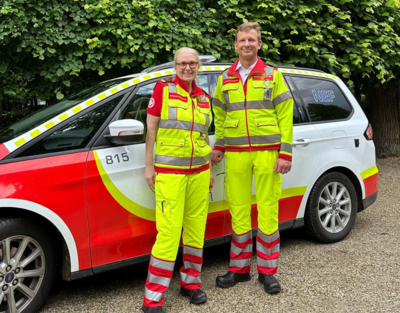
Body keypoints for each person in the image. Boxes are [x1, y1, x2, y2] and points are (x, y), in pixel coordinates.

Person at [211, 22, 293, 294]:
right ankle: (240, 268)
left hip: (268, 152)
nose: (246, 43)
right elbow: (219, 117)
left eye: (251, 40)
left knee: (268, 209)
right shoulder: (225, 78)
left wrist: (285, 152)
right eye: (242, 40)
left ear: (259, 44)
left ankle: (267, 272)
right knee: (238, 209)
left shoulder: (273, 74)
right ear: (235, 45)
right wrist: (219, 146)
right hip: (235, 154)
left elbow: (285, 116)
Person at [142, 47, 215, 313]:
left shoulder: (204, 98)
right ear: (175, 66)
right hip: (170, 176)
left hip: (198, 174)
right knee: (169, 236)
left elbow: (203, 137)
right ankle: (152, 299)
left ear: (198, 67)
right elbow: (150, 130)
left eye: (192, 63)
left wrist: (208, 172)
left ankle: (191, 284)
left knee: (196, 232)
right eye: (183, 63)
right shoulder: (162, 90)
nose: (188, 67)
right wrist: (148, 167)